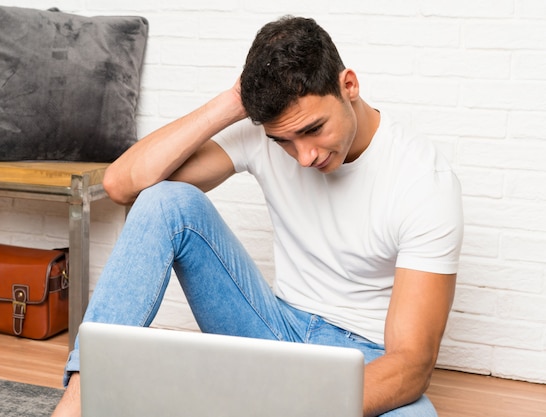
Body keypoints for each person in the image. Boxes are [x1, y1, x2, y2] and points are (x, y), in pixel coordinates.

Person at [52, 16, 463, 417]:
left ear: (349, 86)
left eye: (314, 129)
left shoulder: (423, 181)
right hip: (273, 334)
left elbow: (411, 363)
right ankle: (75, 406)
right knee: (166, 200)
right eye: (284, 141)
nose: (305, 156)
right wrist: (232, 102)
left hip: (366, 357)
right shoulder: (265, 132)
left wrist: (301, 406)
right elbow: (123, 185)